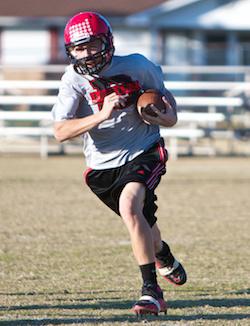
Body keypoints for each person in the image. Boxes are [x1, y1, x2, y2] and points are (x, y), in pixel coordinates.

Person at [52, 11, 187, 316]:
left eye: (91, 45)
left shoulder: (137, 66)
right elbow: (60, 131)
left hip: (144, 149)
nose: (85, 54)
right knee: (142, 222)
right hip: (101, 166)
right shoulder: (73, 79)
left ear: (108, 42)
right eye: (78, 48)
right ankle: (163, 254)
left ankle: (151, 292)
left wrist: (165, 117)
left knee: (130, 206)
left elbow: (168, 105)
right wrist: (101, 114)